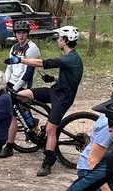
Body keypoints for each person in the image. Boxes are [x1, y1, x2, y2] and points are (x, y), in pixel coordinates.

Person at [12, 25, 85, 177]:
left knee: (51, 130)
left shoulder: (71, 58)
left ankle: (48, 161)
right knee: (20, 95)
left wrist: (20, 59)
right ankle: (32, 124)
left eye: (59, 38)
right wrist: (53, 79)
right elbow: (69, 78)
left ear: (66, 40)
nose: (57, 40)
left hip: (63, 99)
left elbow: (42, 63)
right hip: (55, 91)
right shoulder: (71, 58)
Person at [0, 20, 42, 158]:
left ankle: (10, 146)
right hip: (11, 83)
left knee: (13, 114)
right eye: (18, 33)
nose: (21, 35)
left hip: (23, 85)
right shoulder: (14, 48)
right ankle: (30, 123)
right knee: (13, 114)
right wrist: (4, 83)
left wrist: (16, 88)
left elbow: (28, 73)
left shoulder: (32, 49)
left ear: (27, 33)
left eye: (23, 33)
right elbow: (9, 67)